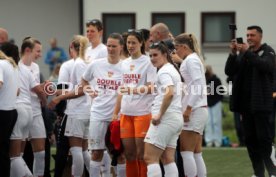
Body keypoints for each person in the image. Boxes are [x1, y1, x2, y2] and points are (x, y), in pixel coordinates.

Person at [225, 25, 276, 177]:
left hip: (261, 105)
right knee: (251, 142)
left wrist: (246, 52)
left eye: (252, 35)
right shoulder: (243, 54)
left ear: (260, 36)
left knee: (264, 140)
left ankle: (272, 172)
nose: (248, 38)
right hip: (245, 106)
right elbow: (229, 71)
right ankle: (258, 173)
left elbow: (265, 66)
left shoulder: (268, 52)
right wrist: (233, 54)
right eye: (247, 35)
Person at [112, 29, 156, 177]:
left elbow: (152, 88)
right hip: (126, 113)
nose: (130, 45)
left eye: (133, 43)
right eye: (128, 42)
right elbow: (121, 90)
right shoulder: (124, 63)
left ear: (141, 43)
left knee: (141, 154)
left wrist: (133, 91)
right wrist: (115, 112)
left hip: (142, 113)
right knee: (129, 154)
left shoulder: (148, 62)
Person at [50, 35, 91, 177]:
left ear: (71, 48)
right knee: (85, 149)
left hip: (76, 111)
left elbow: (76, 90)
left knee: (75, 149)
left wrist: (58, 95)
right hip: (88, 110)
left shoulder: (73, 64)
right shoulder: (88, 62)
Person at [143, 41, 183, 177]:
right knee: (167, 158)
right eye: (150, 56)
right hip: (175, 118)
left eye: (155, 55)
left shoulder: (164, 71)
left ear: (164, 54)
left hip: (165, 119)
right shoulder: (172, 69)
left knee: (149, 157)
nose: (152, 58)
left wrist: (159, 114)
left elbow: (170, 93)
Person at [9, 37, 47, 177]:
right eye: (38, 51)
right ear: (27, 50)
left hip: (33, 112)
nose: (40, 55)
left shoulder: (35, 67)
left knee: (40, 152)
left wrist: (43, 90)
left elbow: (35, 87)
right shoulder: (17, 67)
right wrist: (43, 97)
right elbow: (35, 89)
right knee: (18, 153)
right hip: (24, 110)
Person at [175, 33, 208, 177]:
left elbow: (199, 85)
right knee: (195, 152)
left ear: (183, 47)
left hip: (195, 108)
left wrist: (188, 107)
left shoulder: (190, 60)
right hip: (198, 108)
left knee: (186, 151)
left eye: (177, 48)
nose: (176, 52)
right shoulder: (192, 59)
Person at [0, 43, 19, 177]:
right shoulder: (13, 66)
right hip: (11, 111)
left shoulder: (1, 64)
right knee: (4, 150)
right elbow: (17, 91)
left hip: (2, 111)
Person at [204, 65, 224, 147]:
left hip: (216, 103)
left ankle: (217, 140)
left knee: (216, 122)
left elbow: (221, 92)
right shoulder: (204, 80)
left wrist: (217, 101)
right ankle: (209, 140)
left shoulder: (216, 80)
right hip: (207, 104)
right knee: (208, 122)